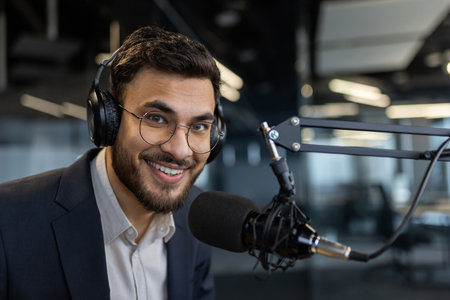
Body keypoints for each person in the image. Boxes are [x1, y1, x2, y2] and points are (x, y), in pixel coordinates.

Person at [0, 25, 226, 300]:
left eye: (200, 126)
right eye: (155, 118)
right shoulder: (9, 221)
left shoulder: (198, 217)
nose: (179, 150)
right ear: (109, 120)